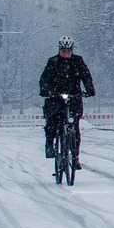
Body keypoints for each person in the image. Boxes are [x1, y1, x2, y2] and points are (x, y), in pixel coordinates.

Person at [39, 35, 95, 168]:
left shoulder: (78, 61)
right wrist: (46, 91)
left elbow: (86, 76)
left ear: (72, 51)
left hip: (74, 97)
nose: (66, 54)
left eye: (69, 51)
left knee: (74, 127)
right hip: (56, 98)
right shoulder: (53, 62)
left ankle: (75, 157)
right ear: (59, 50)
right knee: (52, 122)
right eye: (64, 51)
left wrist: (89, 89)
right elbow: (44, 79)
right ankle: (50, 145)